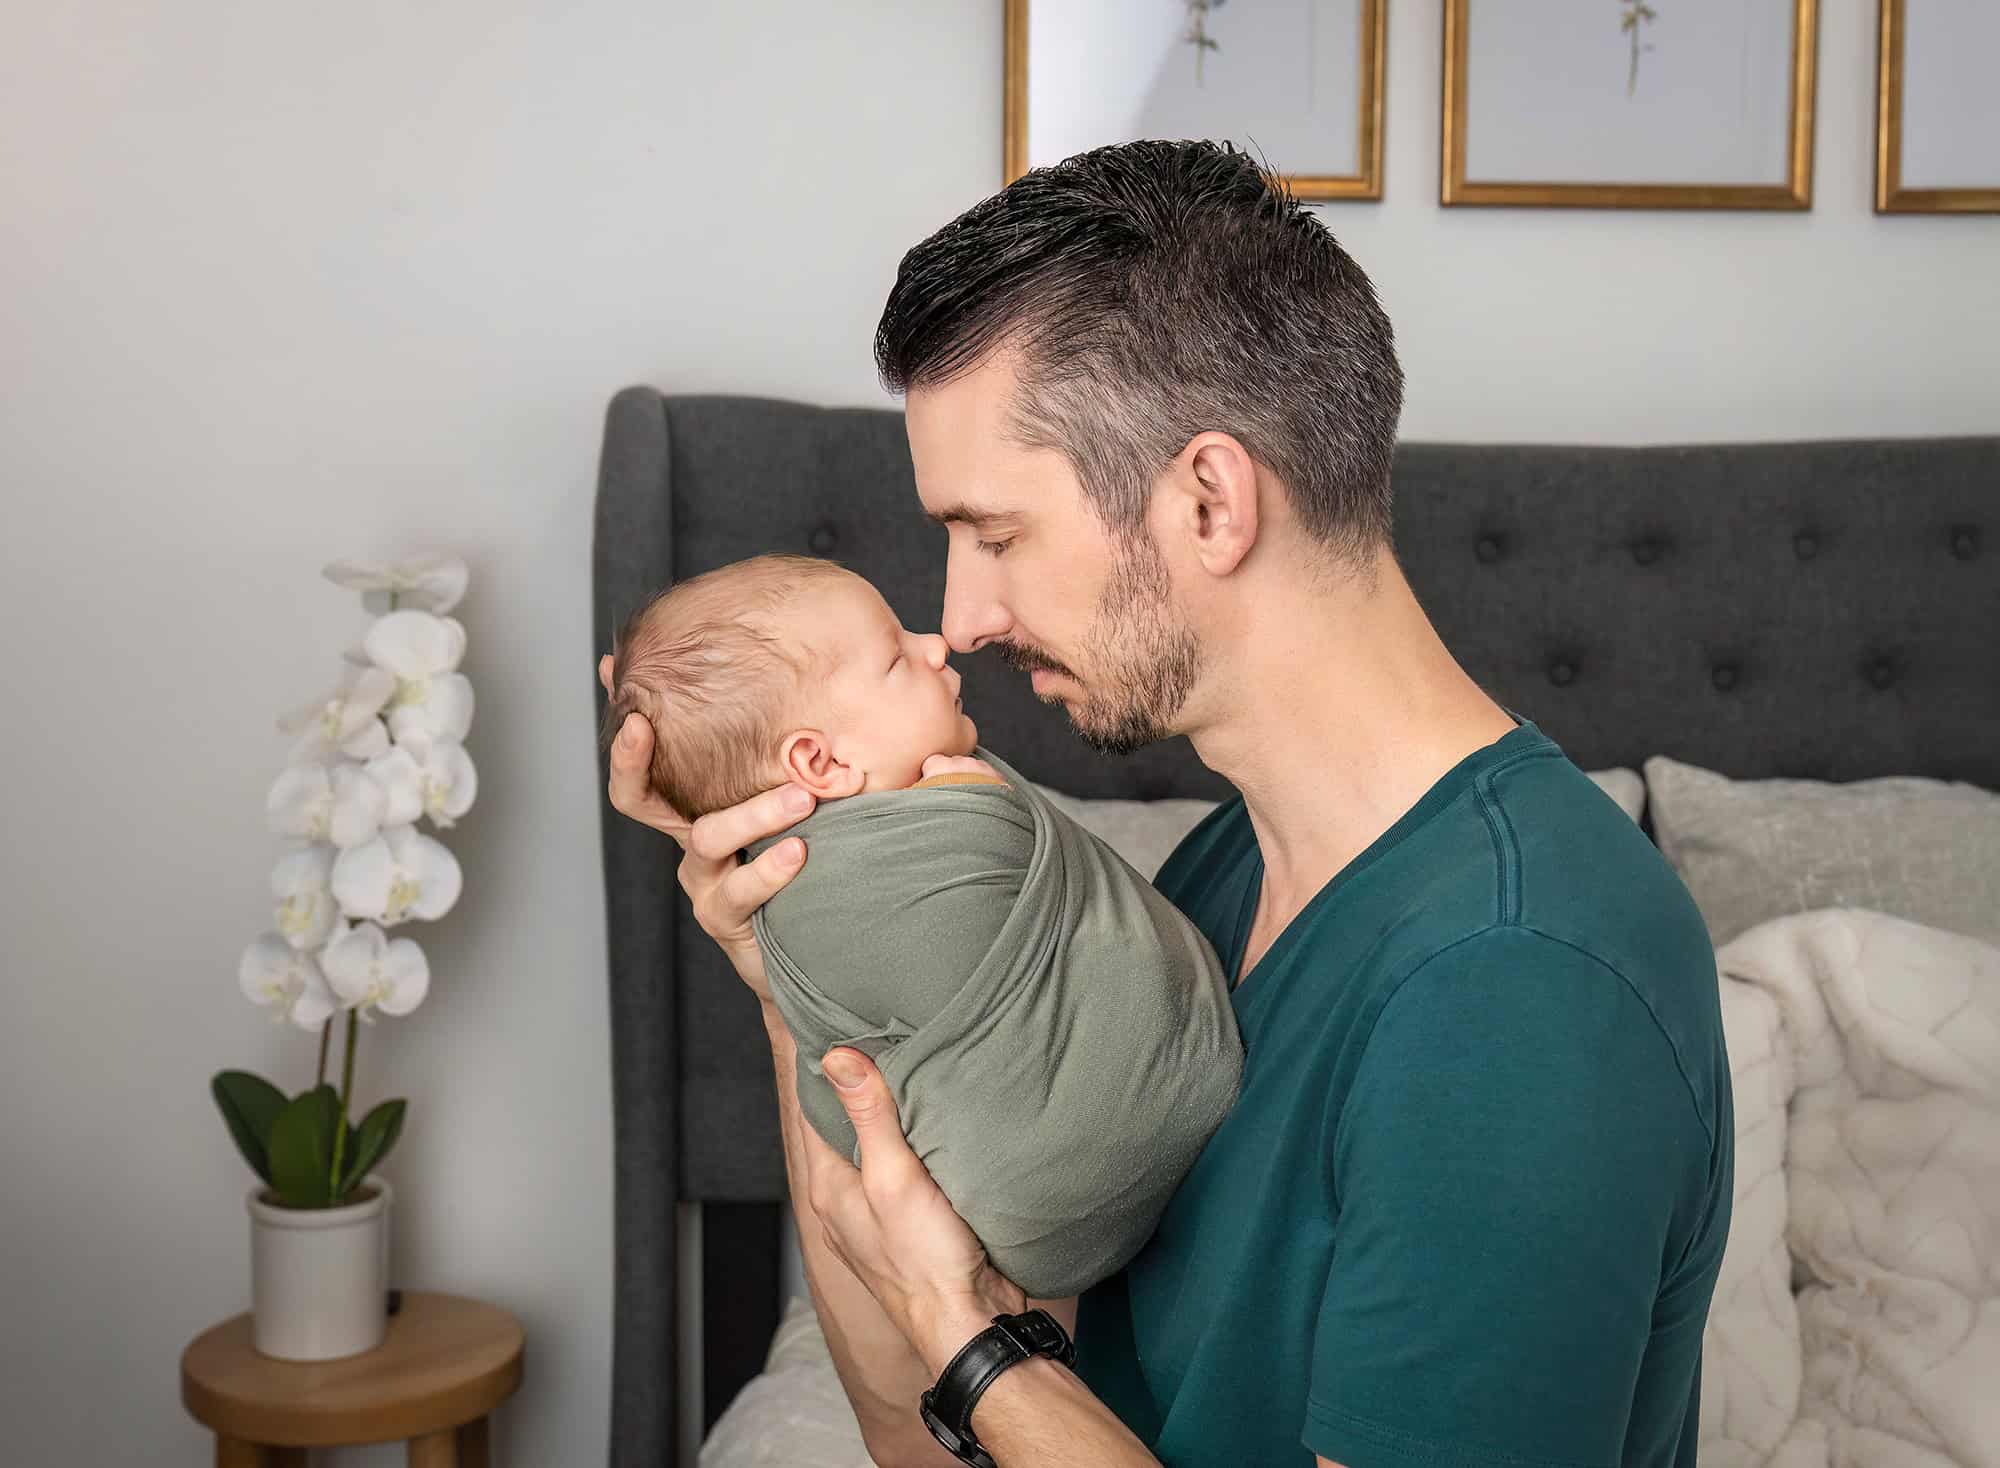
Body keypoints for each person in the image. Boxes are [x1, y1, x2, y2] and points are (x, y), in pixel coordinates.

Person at [599, 139, 1732, 1468]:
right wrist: (794, 938)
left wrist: (979, 1355)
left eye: (996, 535)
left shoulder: (1518, 987)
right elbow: (918, 1445)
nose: (961, 619)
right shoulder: (1216, 882)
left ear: (1208, 500)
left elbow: (962, 1371)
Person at [595, 552, 1242, 1299]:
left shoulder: (896, 828)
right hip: (1119, 1135)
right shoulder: (840, 892)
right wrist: (977, 811)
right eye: (896, 659)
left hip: (1048, 1233)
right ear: (818, 761)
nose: (937, 644)